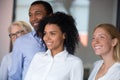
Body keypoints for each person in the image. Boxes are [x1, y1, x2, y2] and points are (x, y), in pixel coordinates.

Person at [24, 12, 83, 80]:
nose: (46, 38)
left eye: (52, 34)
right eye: (45, 33)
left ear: (64, 35)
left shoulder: (74, 63)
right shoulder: (38, 57)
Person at [8, 1, 53, 80]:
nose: (33, 19)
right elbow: (14, 76)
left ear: (50, 16)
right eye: (30, 15)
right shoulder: (21, 42)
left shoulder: (60, 41)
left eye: (38, 13)